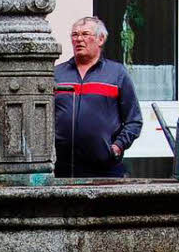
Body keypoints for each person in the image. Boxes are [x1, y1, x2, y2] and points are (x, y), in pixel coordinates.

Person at [54, 16, 142, 178]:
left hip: (104, 168)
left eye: (86, 34)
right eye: (75, 35)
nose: (79, 39)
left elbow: (134, 120)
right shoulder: (56, 74)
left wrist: (117, 146)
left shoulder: (117, 74)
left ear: (101, 39)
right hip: (61, 167)